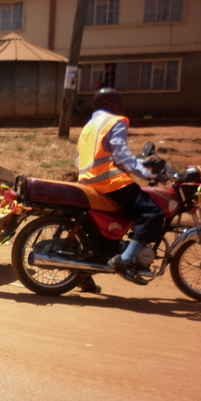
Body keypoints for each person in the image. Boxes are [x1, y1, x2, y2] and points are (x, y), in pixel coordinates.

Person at [77, 88, 165, 283]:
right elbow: (121, 156)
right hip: (110, 182)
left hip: (89, 181)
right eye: (118, 101)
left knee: (111, 227)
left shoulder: (90, 126)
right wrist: (147, 173)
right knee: (152, 213)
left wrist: (142, 163)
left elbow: (102, 156)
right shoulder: (115, 122)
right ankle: (125, 260)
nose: (121, 106)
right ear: (107, 102)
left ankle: (84, 274)